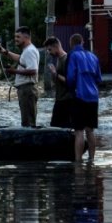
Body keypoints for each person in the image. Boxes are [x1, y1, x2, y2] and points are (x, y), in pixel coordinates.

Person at [67, 33, 102, 161]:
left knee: (79, 131)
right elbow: (99, 78)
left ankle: (78, 160)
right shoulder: (93, 56)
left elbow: (71, 78)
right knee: (90, 130)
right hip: (94, 97)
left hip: (79, 96)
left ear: (71, 44)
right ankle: (92, 159)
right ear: (82, 42)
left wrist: (71, 90)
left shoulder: (73, 55)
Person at [0, 26, 40, 127]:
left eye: (18, 37)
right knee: (26, 121)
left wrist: (14, 71)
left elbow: (33, 71)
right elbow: (21, 59)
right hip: (25, 89)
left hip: (27, 89)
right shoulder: (27, 50)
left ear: (26, 37)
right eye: (15, 36)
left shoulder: (29, 51)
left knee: (28, 123)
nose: (15, 39)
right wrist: (6, 53)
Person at [44, 36, 74, 128]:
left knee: (65, 127)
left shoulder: (67, 59)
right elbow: (57, 80)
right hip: (60, 99)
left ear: (56, 46)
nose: (49, 52)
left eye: (50, 49)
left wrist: (55, 74)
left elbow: (70, 81)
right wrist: (54, 75)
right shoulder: (58, 60)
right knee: (54, 126)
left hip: (67, 100)